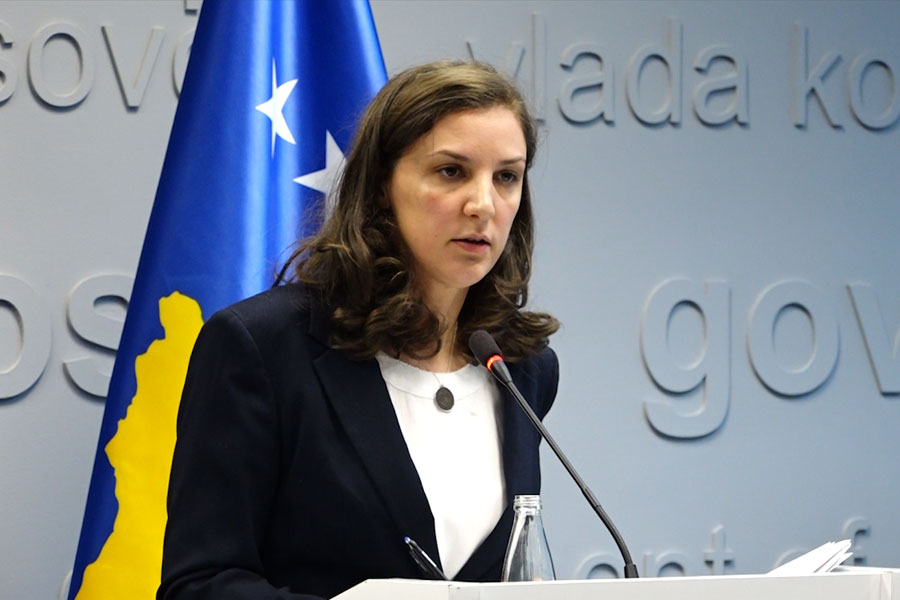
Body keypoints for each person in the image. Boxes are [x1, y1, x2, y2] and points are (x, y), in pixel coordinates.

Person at [158, 60, 560, 600]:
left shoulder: (522, 368)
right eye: (451, 171)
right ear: (380, 186)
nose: (483, 205)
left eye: (506, 177)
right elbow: (199, 584)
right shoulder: (263, 348)